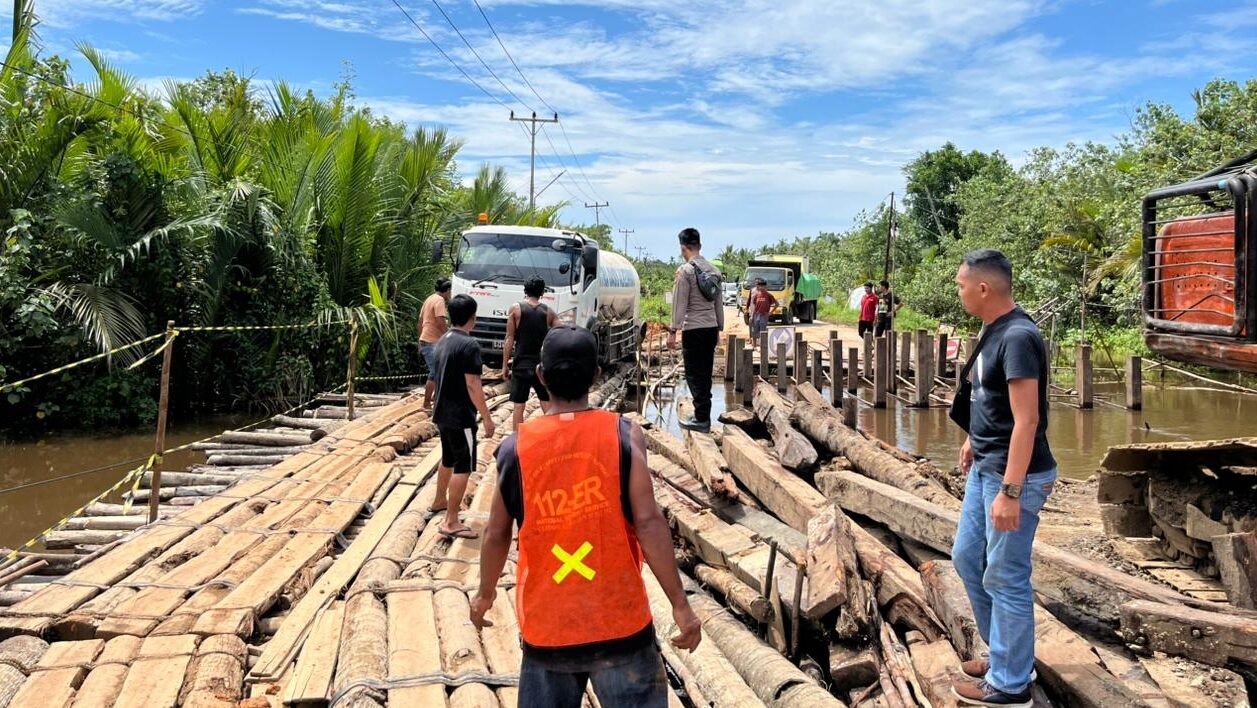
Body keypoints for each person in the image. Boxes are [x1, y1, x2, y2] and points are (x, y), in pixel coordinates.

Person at [470, 326, 702, 708]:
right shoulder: (623, 435)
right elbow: (648, 522)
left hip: (549, 630)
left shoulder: (515, 449)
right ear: (596, 375)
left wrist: (484, 594)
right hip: (620, 625)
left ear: (541, 378)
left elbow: (496, 535)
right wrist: (680, 603)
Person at [949, 249, 1057, 708]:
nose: (958, 291)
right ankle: (1004, 656)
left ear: (984, 288)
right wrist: (974, 438)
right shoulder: (993, 330)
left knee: (1006, 576)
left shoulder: (1018, 337)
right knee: (967, 558)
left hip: (1016, 477)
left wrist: (1011, 493)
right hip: (987, 466)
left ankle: (1011, 684)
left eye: (960, 284)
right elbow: (989, 400)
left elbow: (1027, 421)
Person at [431, 294, 496, 539]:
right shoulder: (469, 345)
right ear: (473, 318)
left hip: (442, 412)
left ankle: (439, 500)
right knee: (463, 465)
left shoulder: (442, 340)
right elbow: (473, 384)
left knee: (448, 458)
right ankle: (450, 520)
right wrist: (487, 417)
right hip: (460, 416)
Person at [667, 227, 724, 432]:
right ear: (699, 245)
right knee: (705, 373)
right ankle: (703, 415)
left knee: (693, 374)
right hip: (710, 329)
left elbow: (679, 304)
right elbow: (719, 303)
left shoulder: (685, 271)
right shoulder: (714, 271)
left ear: (683, 248)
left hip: (693, 330)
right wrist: (719, 328)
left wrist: (673, 331)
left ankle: (701, 419)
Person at [503, 277, 559, 431]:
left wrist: (504, 366)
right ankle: (554, 434)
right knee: (546, 402)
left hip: (521, 364)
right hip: (540, 366)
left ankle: (517, 440)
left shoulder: (515, 309)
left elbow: (509, 338)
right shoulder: (548, 312)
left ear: (525, 290)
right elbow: (561, 332)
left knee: (519, 406)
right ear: (542, 292)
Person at [419, 278, 452, 409]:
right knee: (435, 372)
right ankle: (426, 403)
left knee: (439, 371)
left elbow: (420, 320)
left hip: (427, 339)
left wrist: (419, 339)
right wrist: (449, 336)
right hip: (432, 341)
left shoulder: (429, 299)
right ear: (448, 290)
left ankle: (435, 398)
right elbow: (440, 321)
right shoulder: (439, 301)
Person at [745, 278, 779, 342]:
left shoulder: (768, 295)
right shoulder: (753, 291)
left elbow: (776, 304)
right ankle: (753, 343)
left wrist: (770, 312)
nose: (759, 286)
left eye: (761, 285)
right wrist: (748, 310)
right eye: (757, 284)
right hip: (755, 313)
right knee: (754, 328)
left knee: (763, 330)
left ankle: (762, 344)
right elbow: (751, 301)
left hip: (764, 314)